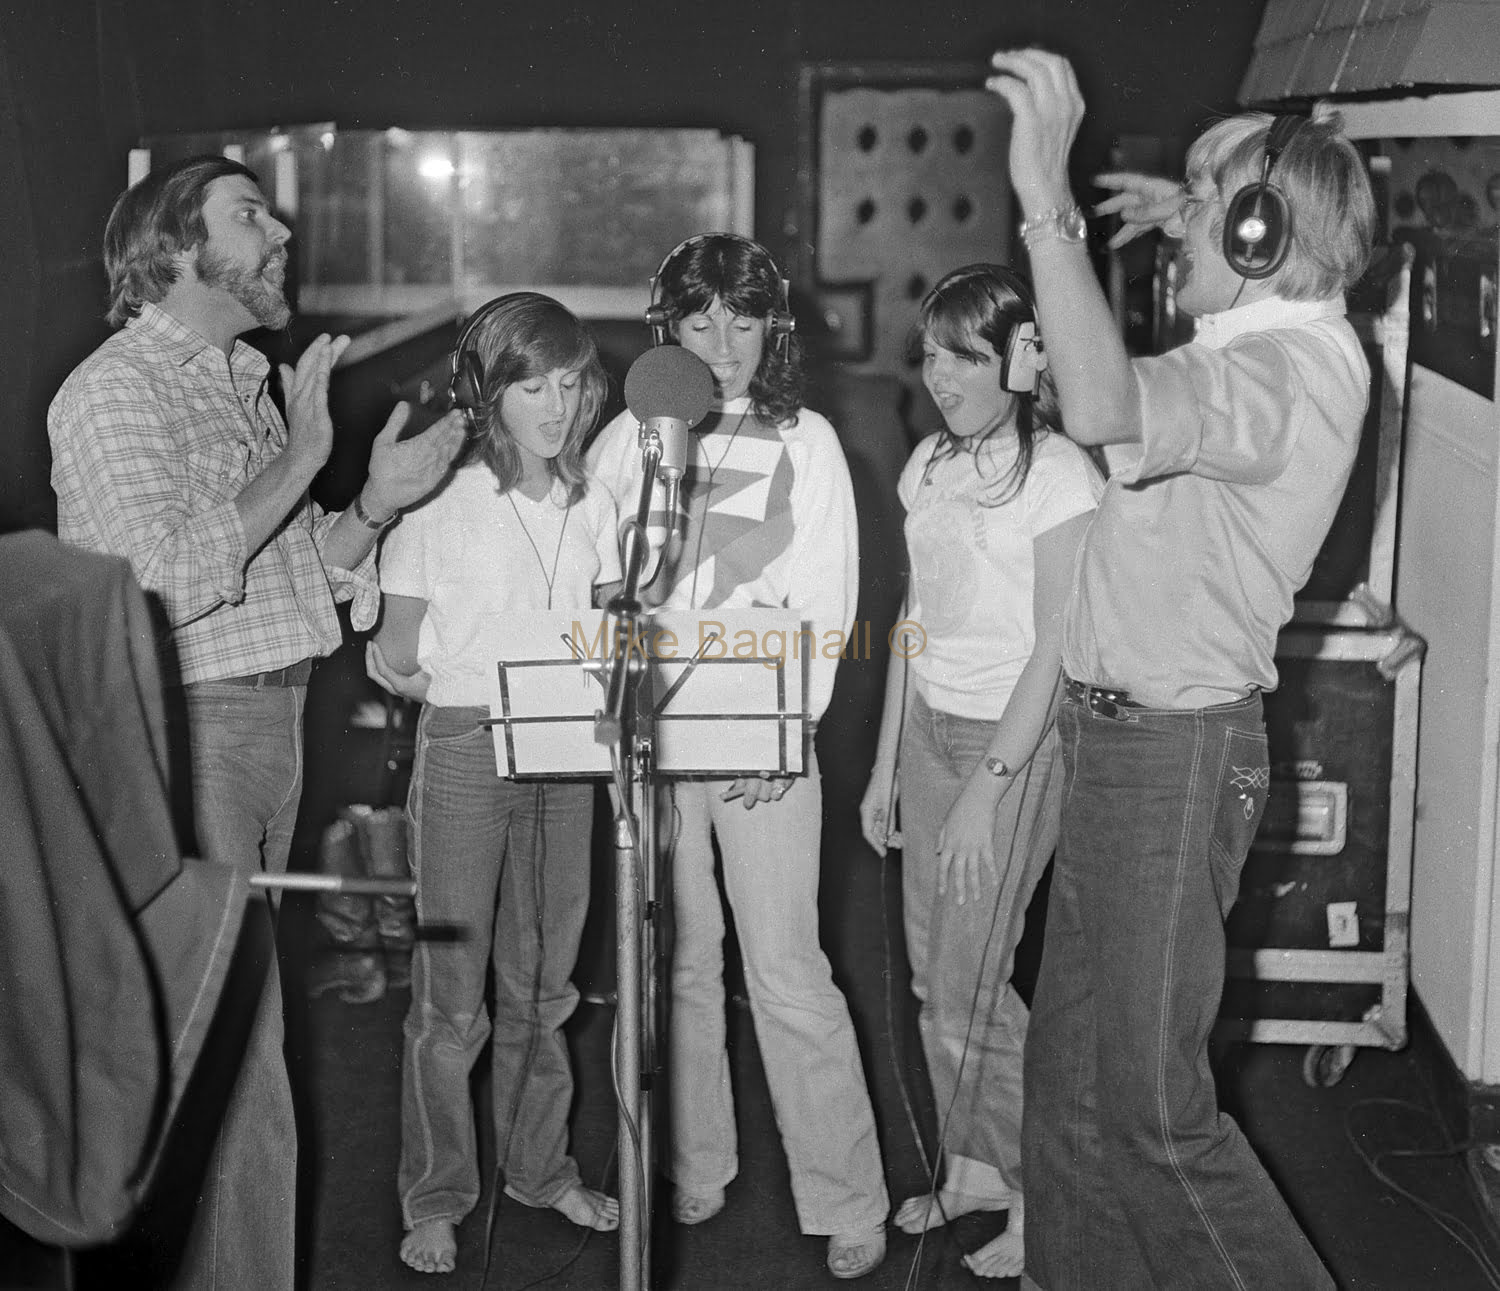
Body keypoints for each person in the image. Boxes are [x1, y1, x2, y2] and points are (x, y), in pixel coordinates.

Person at [985, 50, 1376, 1290]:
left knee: (1154, 1112)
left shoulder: (1278, 374)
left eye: (1209, 202)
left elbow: (1103, 404)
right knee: (1068, 1095)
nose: (1175, 223)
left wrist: (1043, 194)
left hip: (1172, 754)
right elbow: (1213, 286)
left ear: (1263, 234)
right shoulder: (1264, 333)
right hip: (1115, 745)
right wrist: (1198, 205)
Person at [47, 153, 465, 1291]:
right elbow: (158, 582)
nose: (281, 229)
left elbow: (290, 579)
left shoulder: (241, 376)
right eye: (250, 214)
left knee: (238, 1069)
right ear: (177, 250)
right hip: (187, 738)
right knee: (239, 1077)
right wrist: (304, 456)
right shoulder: (111, 392)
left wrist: (376, 500)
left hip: (272, 730)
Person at [587, 233, 890, 1280]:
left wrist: (786, 729)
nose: (722, 344)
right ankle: (697, 1159)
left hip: (763, 744)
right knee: (675, 959)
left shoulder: (804, 441)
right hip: (652, 739)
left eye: (743, 320)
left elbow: (827, 602)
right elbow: (600, 580)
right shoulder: (623, 444)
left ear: (773, 328)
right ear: (665, 328)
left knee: (787, 967)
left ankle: (848, 1195)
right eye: (700, 320)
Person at [366, 292, 622, 1275]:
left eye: (567, 382)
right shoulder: (443, 497)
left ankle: (540, 1168)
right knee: (451, 996)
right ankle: (435, 1195)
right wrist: (474, 692)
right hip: (471, 748)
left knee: (546, 983)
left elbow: (605, 629)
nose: (553, 405)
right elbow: (395, 656)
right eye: (529, 384)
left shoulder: (593, 497)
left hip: (569, 750)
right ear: (488, 391)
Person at [858, 264, 1100, 1280]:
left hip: (1014, 743)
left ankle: (1047, 1199)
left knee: (971, 984)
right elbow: (912, 623)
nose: (942, 374)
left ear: (1017, 357)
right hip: (927, 734)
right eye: (933, 352)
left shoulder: (1062, 476)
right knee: (934, 979)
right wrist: (883, 770)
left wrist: (987, 792)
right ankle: (973, 1167)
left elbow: (1056, 644)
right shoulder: (929, 464)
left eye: (966, 354)